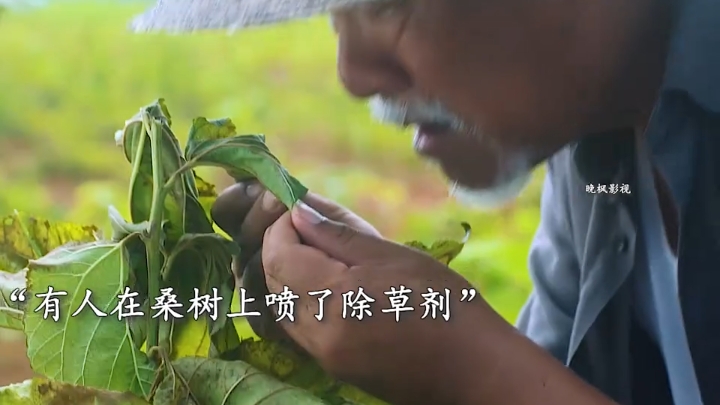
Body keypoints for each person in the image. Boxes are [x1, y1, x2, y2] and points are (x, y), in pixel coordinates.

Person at [131, 0, 720, 404]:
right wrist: (395, 333)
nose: (354, 73)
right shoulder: (599, 159)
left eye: (387, 2)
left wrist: (474, 371)